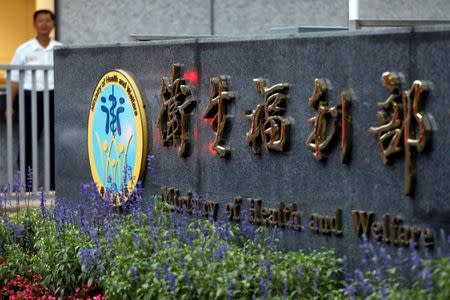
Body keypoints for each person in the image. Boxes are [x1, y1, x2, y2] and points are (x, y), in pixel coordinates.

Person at [7, 9, 62, 191]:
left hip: (55, 97)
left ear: (53, 24)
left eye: (48, 20)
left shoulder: (60, 49)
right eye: (40, 21)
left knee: (57, 142)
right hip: (30, 98)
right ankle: (25, 188)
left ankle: (57, 187)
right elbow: (14, 79)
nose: (44, 24)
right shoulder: (23, 50)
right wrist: (9, 105)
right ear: (35, 24)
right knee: (28, 143)